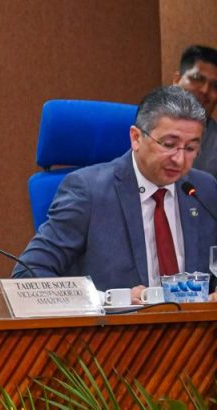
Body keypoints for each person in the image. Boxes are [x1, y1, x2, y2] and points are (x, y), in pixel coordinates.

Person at [13, 86, 217, 301]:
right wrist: (110, 299)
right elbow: (27, 277)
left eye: (191, 148)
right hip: (114, 331)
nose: (179, 159)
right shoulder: (88, 191)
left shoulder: (203, 190)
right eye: (169, 145)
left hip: (194, 332)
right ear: (136, 138)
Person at [173, 45, 217, 176]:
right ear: (176, 80)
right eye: (197, 79)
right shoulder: (145, 126)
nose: (205, 90)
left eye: (215, 86)